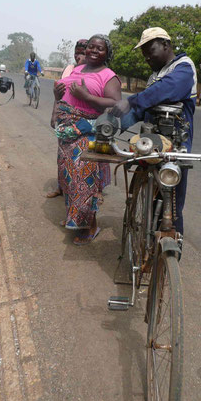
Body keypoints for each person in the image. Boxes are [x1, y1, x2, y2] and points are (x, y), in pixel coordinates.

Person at [111, 27, 197, 236]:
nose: (147, 57)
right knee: (151, 199)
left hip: (175, 148)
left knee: (172, 204)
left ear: (166, 44)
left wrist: (130, 101)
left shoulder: (183, 68)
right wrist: (111, 126)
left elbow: (164, 91)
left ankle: (172, 252)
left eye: (151, 50)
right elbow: (142, 110)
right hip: (151, 144)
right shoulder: (155, 75)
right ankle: (146, 244)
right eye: (144, 54)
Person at [54, 34, 121, 245]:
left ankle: (90, 225)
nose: (93, 50)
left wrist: (87, 97)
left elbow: (115, 105)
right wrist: (57, 97)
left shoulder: (109, 76)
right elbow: (66, 95)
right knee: (68, 178)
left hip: (89, 131)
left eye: (99, 48)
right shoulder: (77, 69)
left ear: (107, 53)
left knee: (85, 181)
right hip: (67, 132)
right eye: (91, 46)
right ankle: (76, 217)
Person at [47, 39, 88, 198]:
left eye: (83, 53)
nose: (79, 56)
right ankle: (61, 187)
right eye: (77, 52)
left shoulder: (93, 71)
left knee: (83, 158)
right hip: (65, 119)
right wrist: (54, 114)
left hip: (84, 120)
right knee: (62, 155)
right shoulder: (68, 69)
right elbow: (58, 94)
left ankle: (89, 192)